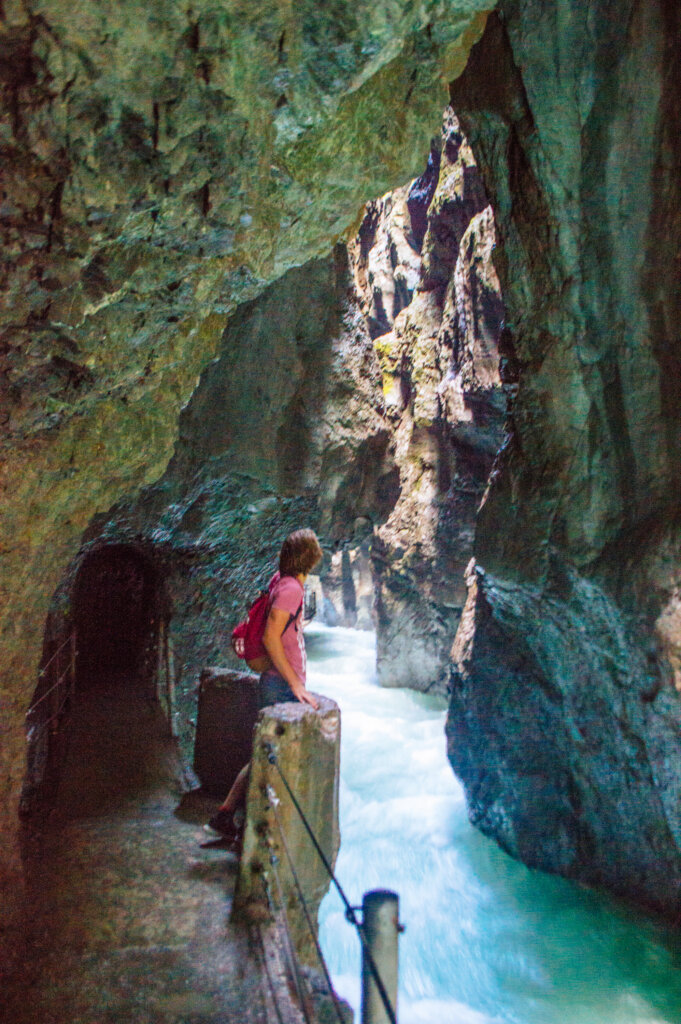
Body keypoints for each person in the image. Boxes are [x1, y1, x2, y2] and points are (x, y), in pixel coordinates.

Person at [205, 528, 323, 841]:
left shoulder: (279, 581)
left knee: (264, 752)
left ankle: (228, 815)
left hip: (276, 682)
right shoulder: (291, 590)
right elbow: (272, 638)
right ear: (309, 557)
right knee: (273, 757)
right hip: (280, 685)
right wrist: (296, 684)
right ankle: (248, 829)